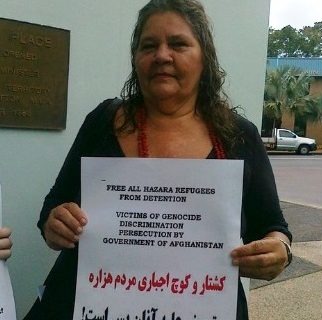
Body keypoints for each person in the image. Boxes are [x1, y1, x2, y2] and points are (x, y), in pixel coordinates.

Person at [25, 0, 292, 319]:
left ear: (204, 57)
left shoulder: (238, 137)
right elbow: (54, 205)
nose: (162, 55)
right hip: (84, 305)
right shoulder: (103, 122)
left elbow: (273, 227)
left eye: (178, 44)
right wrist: (54, 223)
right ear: (136, 58)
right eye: (149, 45)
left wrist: (279, 250)